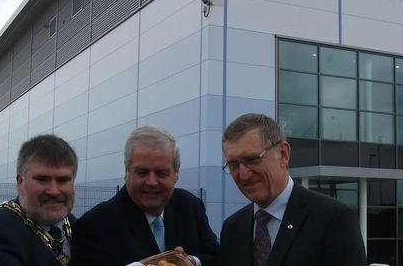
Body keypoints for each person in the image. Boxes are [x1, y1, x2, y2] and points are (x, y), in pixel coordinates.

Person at [219, 113, 367, 266]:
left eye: (252, 160)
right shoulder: (233, 227)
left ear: (283, 154)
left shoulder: (333, 220)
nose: (243, 175)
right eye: (233, 165)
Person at [72, 125, 220, 266]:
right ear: (126, 170)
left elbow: (219, 259)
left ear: (177, 172)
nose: (151, 182)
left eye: (161, 173)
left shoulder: (190, 206)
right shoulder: (95, 225)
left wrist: (192, 262)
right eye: (142, 172)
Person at [0, 134, 78, 266]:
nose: (54, 191)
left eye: (63, 180)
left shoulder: (77, 227)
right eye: (42, 179)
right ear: (20, 182)